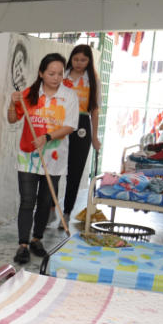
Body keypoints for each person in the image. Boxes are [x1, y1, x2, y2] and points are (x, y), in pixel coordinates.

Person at [7, 53, 78, 264]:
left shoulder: (69, 96)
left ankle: (37, 239)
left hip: (54, 158)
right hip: (28, 156)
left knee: (46, 201)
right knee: (27, 201)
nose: (56, 77)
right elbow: (12, 119)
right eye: (51, 73)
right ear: (41, 73)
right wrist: (12, 104)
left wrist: (47, 137)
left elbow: (70, 126)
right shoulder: (29, 94)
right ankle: (23, 245)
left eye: (59, 73)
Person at [59, 43, 101, 223]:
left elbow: (95, 110)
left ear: (89, 61)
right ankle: (51, 208)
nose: (78, 63)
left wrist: (94, 137)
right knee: (54, 167)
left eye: (83, 60)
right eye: (76, 59)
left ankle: (67, 212)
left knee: (74, 172)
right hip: (60, 122)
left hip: (82, 124)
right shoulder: (62, 76)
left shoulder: (93, 80)